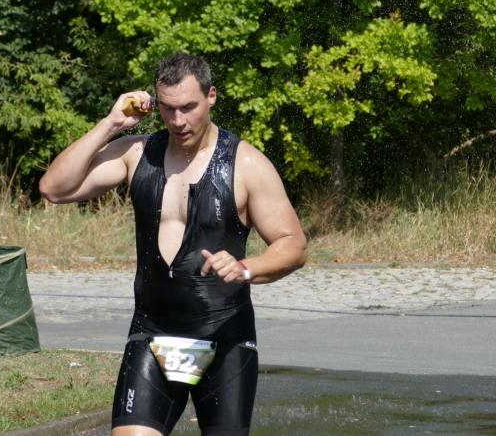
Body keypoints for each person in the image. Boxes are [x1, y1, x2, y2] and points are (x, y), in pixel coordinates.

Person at [39, 53, 307, 436]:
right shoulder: (137, 153)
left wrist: (246, 268)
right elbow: (54, 188)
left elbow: (293, 245)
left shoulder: (246, 164)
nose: (178, 121)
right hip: (152, 333)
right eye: (168, 109)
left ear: (211, 96)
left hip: (224, 338)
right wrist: (111, 123)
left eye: (188, 108)